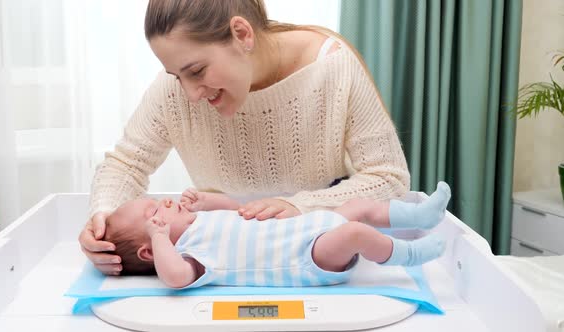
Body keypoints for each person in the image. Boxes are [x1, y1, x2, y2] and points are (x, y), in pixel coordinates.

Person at [79, 0, 411, 276]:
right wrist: (104, 221)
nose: (191, 93)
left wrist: (298, 206)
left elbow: (389, 178)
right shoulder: (175, 91)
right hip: (221, 260)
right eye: (176, 76)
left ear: (242, 34)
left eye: (196, 72)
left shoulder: (332, 69)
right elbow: (126, 165)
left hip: (318, 255)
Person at [103, 182, 450, 288]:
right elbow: (175, 279)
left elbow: (236, 209)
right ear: (150, 251)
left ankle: (422, 214)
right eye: (153, 213)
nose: (163, 202)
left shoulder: (199, 222)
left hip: (306, 227)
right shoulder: (190, 257)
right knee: (356, 232)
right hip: (307, 256)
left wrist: (210, 200)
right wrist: (163, 240)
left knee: (359, 205)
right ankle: (411, 255)